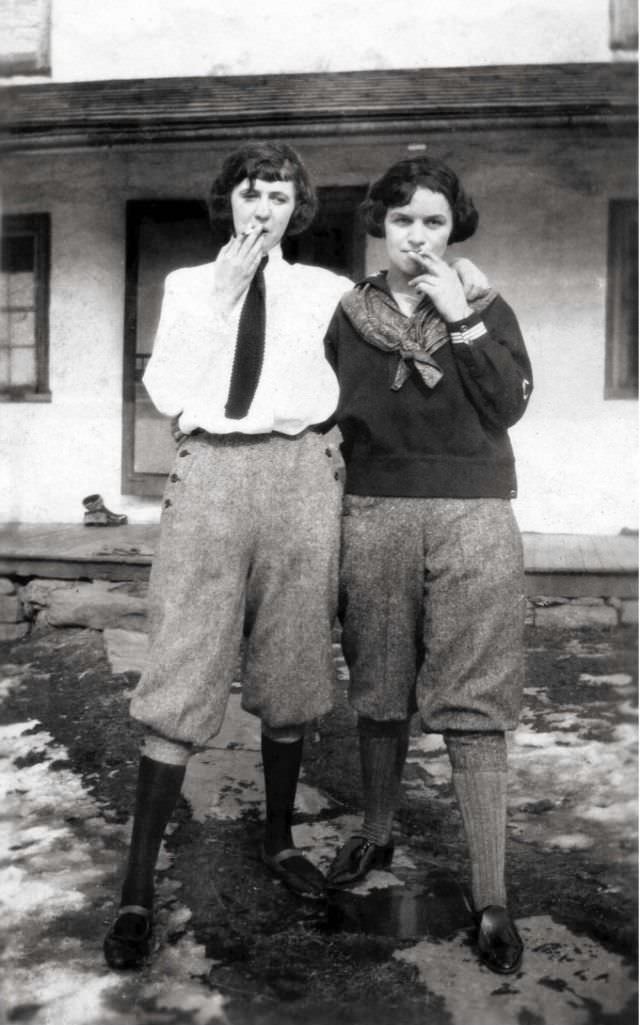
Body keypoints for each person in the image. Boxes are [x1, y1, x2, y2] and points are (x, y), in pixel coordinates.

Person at [103, 142, 489, 971]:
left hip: (302, 474)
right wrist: (224, 295)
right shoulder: (184, 286)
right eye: (250, 194)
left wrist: (470, 280)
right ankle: (137, 884)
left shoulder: (327, 291)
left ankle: (278, 839)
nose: (263, 209)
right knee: (182, 665)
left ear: (296, 209)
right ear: (228, 203)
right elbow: (168, 390)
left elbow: (397, 314)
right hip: (209, 472)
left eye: (279, 197)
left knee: (291, 663)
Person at [324, 155, 532, 976]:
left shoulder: (483, 303)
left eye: (434, 221)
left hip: (475, 515)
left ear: (455, 229)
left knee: (474, 699)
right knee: (379, 682)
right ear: (382, 224)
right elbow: (321, 408)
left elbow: (511, 401)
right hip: (374, 513)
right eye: (404, 219)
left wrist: (464, 320)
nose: (418, 235)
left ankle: (491, 895)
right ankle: (377, 832)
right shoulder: (347, 314)